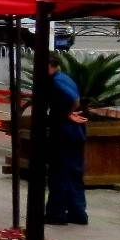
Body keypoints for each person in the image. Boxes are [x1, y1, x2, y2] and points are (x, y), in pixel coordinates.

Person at [46, 58, 89, 226]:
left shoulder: (55, 82)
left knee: (59, 173)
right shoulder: (64, 78)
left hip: (64, 132)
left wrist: (66, 113)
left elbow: (73, 99)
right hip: (75, 133)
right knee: (74, 173)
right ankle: (78, 213)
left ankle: (56, 213)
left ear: (52, 66)